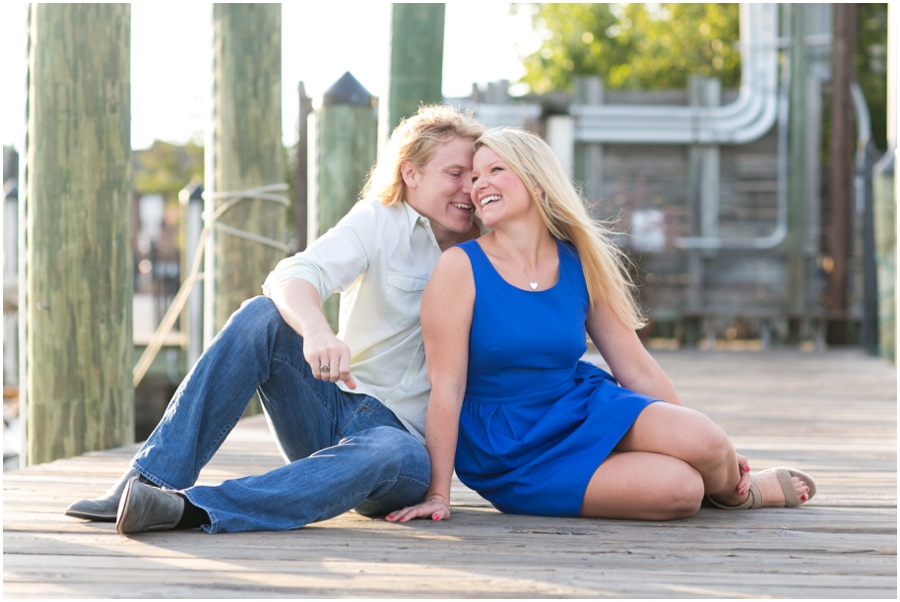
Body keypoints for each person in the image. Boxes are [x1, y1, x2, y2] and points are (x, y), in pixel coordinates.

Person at [64, 104, 486, 534]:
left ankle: (188, 509)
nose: (469, 189)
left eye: (474, 177)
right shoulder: (378, 220)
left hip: (403, 449)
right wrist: (318, 331)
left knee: (391, 449)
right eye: (455, 174)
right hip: (333, 407)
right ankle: (147, 480)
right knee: (262, 315)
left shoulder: (489, 249)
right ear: (411, 172)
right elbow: (292, 275)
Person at [386, 127, 816, 524]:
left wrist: (710, 453)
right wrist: (438, 493)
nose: (478, 186)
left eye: (495, 170)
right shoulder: (459, 268)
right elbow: (447, 387)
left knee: (706, 441)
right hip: (511, 447)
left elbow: (636, 367)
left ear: (537, 181)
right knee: (681, 491)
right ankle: (719, 486)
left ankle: (737, 492)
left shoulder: (578, 259)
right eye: (474, 177)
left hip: (581, 406)